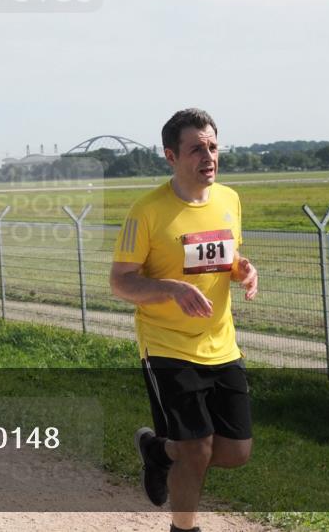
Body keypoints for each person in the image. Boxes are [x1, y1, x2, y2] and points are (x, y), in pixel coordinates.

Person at [110, 109, 259, 532]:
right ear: (171, 156)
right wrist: (171, 290)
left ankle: (158, 451)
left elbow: (226, 256)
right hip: (167, 346)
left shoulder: (229, 200)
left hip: (221, 343)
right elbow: (120, 281)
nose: (208, 156)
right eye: (196, 149)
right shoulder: (147, 211)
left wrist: (243, 269)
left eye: (213, 146)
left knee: (236, 452)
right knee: (196, 449)